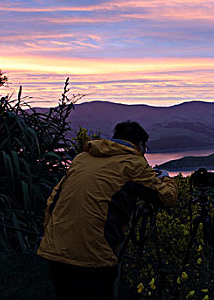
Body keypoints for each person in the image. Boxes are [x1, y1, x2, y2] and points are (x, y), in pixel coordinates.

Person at [37, 121, 177, 300]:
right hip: (94, 257)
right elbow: (168, 199)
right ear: (140, 144)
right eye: (144, 148)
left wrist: (51, 235)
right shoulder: (133, 164)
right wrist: (167, 180)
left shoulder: (82, 158)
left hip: (56, 250)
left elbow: (54, 199)